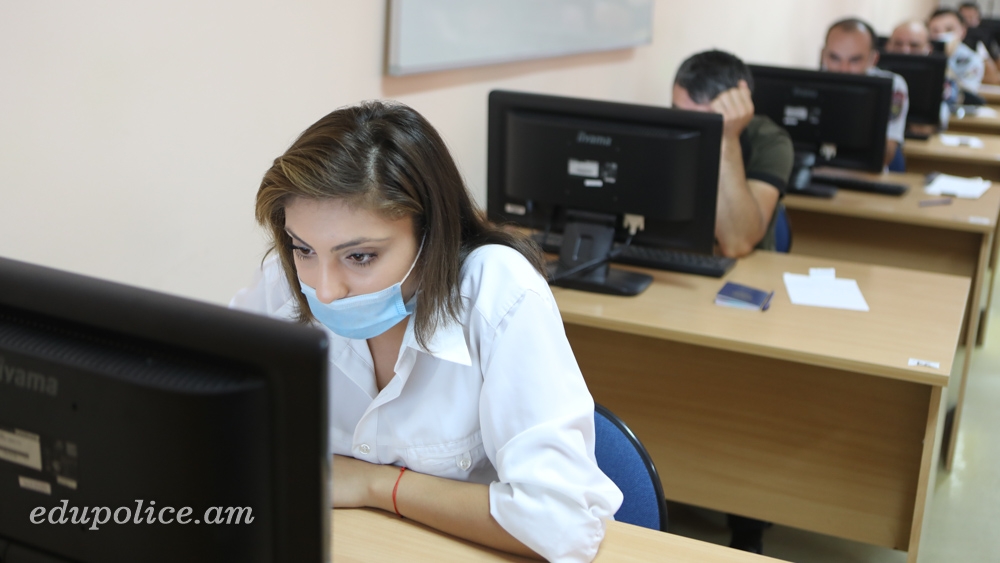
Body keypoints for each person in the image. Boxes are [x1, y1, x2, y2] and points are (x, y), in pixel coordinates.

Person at [229, 101, 623, 562]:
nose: (326, 290)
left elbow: (562, 524)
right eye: (303, 249)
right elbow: (214, 424)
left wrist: (376, 484)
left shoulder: (498, 290)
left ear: (432, 236)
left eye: (360, 257)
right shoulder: (285, 281)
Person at [671, 50, 794, 258]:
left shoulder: (770, 141)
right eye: (679, 114)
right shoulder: (666, 130)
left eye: (704, 121)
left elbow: (737, 243)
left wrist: (727, 137)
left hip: (745, 268)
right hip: (677, 258)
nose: (688, 129)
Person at [820, 17, 909, 169]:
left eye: (854, 60)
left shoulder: (893, 88)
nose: (843, 69)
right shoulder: (809, 86)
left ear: (873, 59)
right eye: (834, 58)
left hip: (866, 175)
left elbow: (886, 155)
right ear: (823, 55)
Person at [928, 8, 988, 94]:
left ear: (963, 31)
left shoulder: (973, 60)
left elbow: (966, 93)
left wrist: (945, 59)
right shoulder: (923, 54)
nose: (942, 35)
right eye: (935, 31)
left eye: (949, 30)